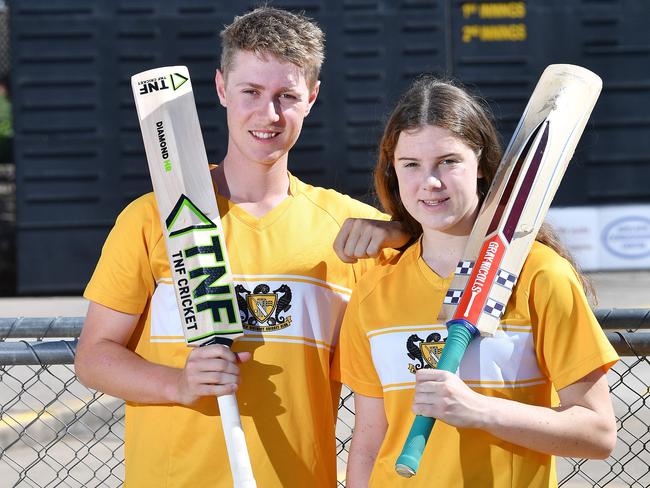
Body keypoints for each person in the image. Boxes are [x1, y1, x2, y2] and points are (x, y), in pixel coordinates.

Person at [74, 7, 406, 488]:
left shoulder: (350, 230)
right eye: (251, 91)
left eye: (286, 96)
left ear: (311, 97)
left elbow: (451, 262)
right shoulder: (152, 217)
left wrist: (402, 232)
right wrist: (178, 384)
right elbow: (93, 357)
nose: (267, 114)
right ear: (222, 87)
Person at [334, 75, 619, 487]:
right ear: (393, 172)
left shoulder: (540, 275)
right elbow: (369, 442)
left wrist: (480, 410)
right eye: (411, 165)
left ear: (482, 167)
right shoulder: (375, 287)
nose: (430, 183)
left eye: (448, 162)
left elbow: (598, 432)